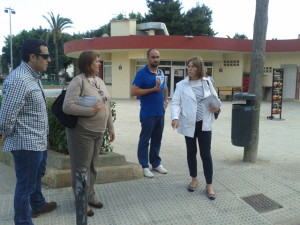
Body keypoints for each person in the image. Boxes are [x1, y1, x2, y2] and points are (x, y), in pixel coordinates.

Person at [0, 38, 57, 225]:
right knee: (25, 186)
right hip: (26, 144)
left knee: (36, 177)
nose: (49, 60)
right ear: (32, 57)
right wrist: (3, 132)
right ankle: (23, 221)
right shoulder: (18, 80)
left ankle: (38, 205)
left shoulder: (32, 76)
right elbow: (7, 114)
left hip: (38, 141)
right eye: (45, 56)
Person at [63, 51, 115, 217]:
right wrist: (90, 110)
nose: (99, 64)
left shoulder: (98, 81)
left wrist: (110, 128)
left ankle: (90, 196)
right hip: (81, 133)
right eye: (96, 61)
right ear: (87, 64)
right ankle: (81, 201)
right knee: (81, 168)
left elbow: (106, 105)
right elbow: (68, 107)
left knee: (93, 167)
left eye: (99, 61)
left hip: (98, 132)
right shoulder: (78, 81)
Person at [171, 56, 221, 200]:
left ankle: (209, 184)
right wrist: (175, 117)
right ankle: (194, 178)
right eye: (188, 66)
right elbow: (175, 102)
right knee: (191, 152)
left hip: (205, 124)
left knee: (206, 154)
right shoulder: (181, 85)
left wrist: (216, 108)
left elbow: (216, 100)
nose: (190, 69)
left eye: (193, 66)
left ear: (199, 68)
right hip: (189, 124)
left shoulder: (207, 82)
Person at [131, 49, 168, 178]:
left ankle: (156, 163)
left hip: (160, 113)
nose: (155, 59)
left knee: (157, 139)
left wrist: (165, 100)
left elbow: (164, 88)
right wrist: (152, 89)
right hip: (147, 113)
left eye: (157, 57)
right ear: (148, 58)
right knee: (145, 140)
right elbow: (134, 91)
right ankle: (144, 165)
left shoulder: (161, 72)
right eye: (153, 57)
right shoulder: (141, 73)